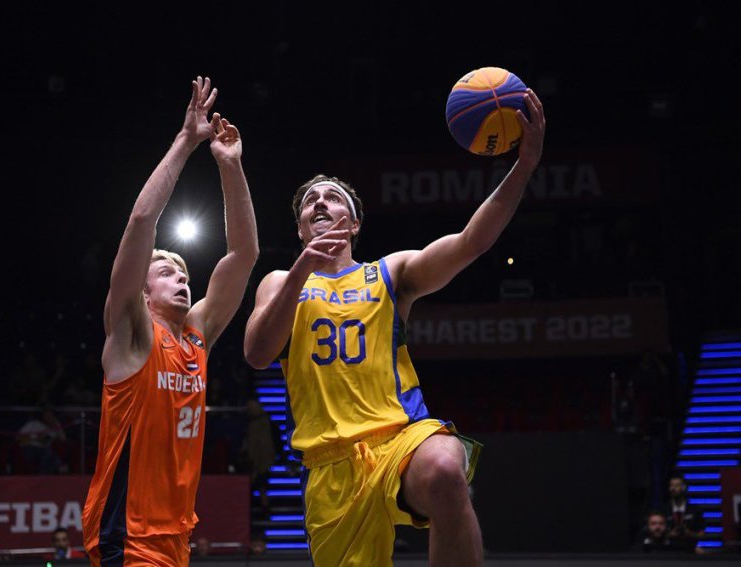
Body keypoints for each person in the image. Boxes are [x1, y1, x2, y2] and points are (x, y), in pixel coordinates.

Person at [245, 90, 545, 566]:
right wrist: (302, 270)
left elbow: (471, 242)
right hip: (330, 466)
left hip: (399, 439)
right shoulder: (281, 282)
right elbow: (258, 353)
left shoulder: (390, 272)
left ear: (355, 223)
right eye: (309, 202)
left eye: (332, 197)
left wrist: (524, 166)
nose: (319, 202)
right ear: (301, 230)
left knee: (447, 468)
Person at [82, 76, 258, 567]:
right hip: (126, 532)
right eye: (166, 271)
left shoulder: (197, 334)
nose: (181, 278)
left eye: (184, 272)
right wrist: (186, 141)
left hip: (176, 533)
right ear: (143, 289)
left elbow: (244, 255)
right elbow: (142, 223)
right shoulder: (133, 333)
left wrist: (231, 167)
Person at [664, 473, 704, 552]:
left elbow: (701, 534)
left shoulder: (695, 509)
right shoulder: (663, 510)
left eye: (676, 485)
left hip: (690, 552)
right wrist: (670, 535)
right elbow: (656, 534)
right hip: (668, 553)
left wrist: (688, 533)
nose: (673, 488)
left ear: (684, 487)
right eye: (671, 485)